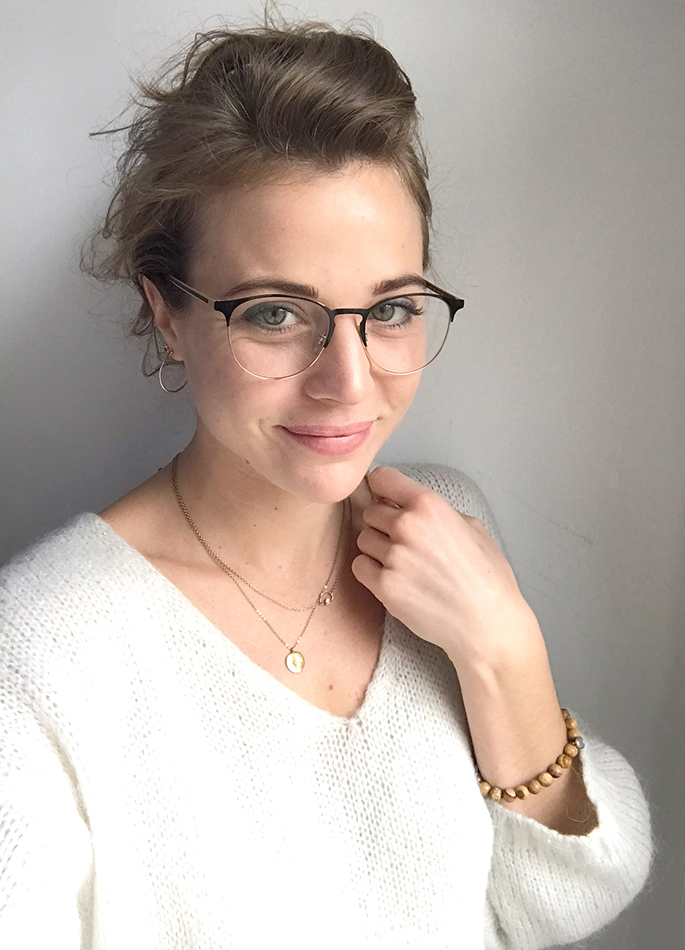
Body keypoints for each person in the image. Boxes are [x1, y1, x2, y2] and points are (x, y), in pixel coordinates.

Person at [0, 11, 655, 949]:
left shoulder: (442, 526)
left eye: (390, 309)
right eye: (275, 313)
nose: (349, 382)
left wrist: (503, 650)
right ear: (168, 314)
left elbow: (560, 904)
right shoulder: (40, 659)